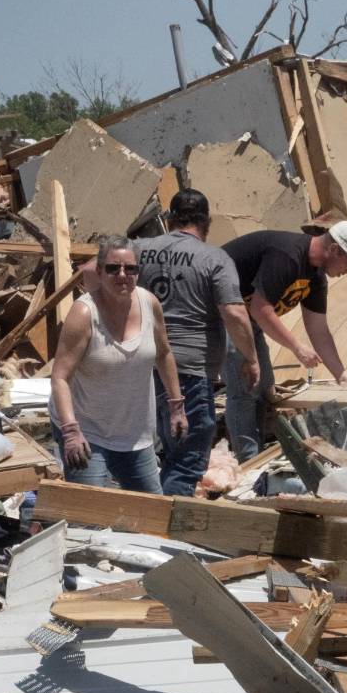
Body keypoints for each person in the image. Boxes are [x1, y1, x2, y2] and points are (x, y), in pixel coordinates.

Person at [133, 190, 259, 495]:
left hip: (142, 368)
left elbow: (95, 278)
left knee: (159, 452)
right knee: (188, 458)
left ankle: (148, 517)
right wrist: (251, 357)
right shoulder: (214, 258)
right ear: (207, 223)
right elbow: (234, 312)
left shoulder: (137, 251)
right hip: (189, 370)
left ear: (170, 219)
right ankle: (164, 531)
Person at [220, 221, 347, 461]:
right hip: (220, 313)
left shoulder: (316, 277)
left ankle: (255, 453)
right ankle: (248, 462)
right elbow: (261, 309)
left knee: (263, 385)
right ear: (334, 250)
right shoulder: (288, 256)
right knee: (245, 388)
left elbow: (319, 331)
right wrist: (297, 347)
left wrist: (341, 376)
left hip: (246, 319)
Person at [50, 236, 188, 493]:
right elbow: (59, 377)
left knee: (151, 515)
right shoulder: (83, 314)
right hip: (86, 431)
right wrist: (70, 431)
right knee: (89, 519)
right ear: (100, 272)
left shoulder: (150, 304)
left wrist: (176, 406)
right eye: (113, 268)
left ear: (138, 272)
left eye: (130, 268)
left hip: (134, 433)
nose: (122, 275)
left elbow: (164, 353)